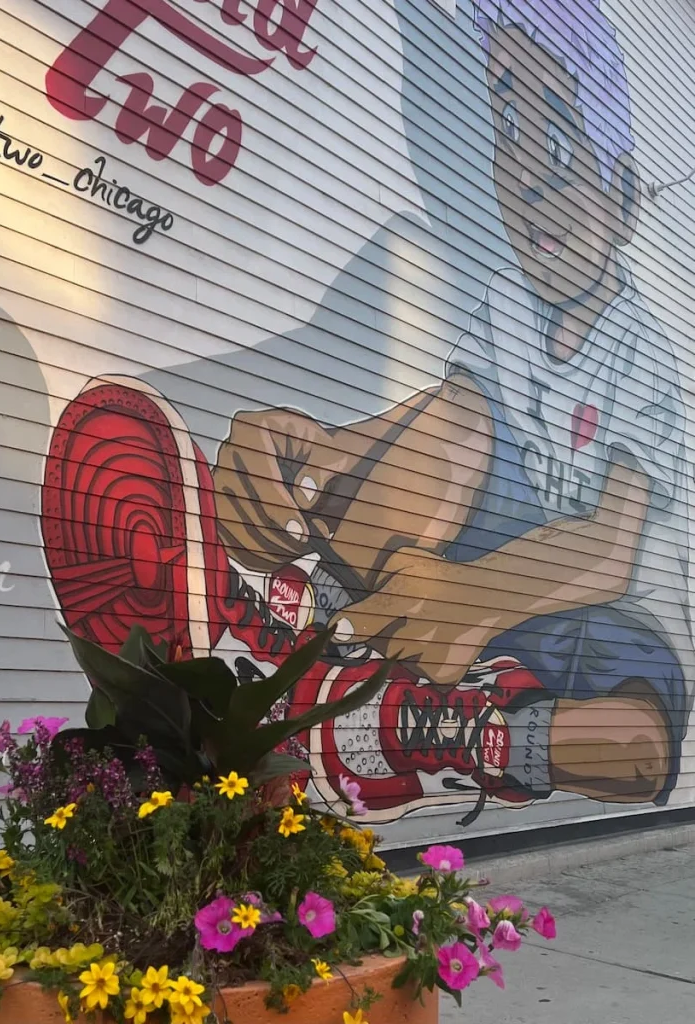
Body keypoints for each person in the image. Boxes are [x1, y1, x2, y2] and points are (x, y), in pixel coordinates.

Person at [42, 0, 691, 825]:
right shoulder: (507, 305)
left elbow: (609, 548)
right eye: (506, 130)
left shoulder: (642, 354)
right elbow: (442, 421)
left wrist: (476, 597)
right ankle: (315, 628)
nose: (525, 178)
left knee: (636, 746)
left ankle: (443, 730)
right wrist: (315, 465)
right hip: (472, 578)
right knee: (460, 422)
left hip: (595, 612)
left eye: (558, 146)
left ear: (626, 196)